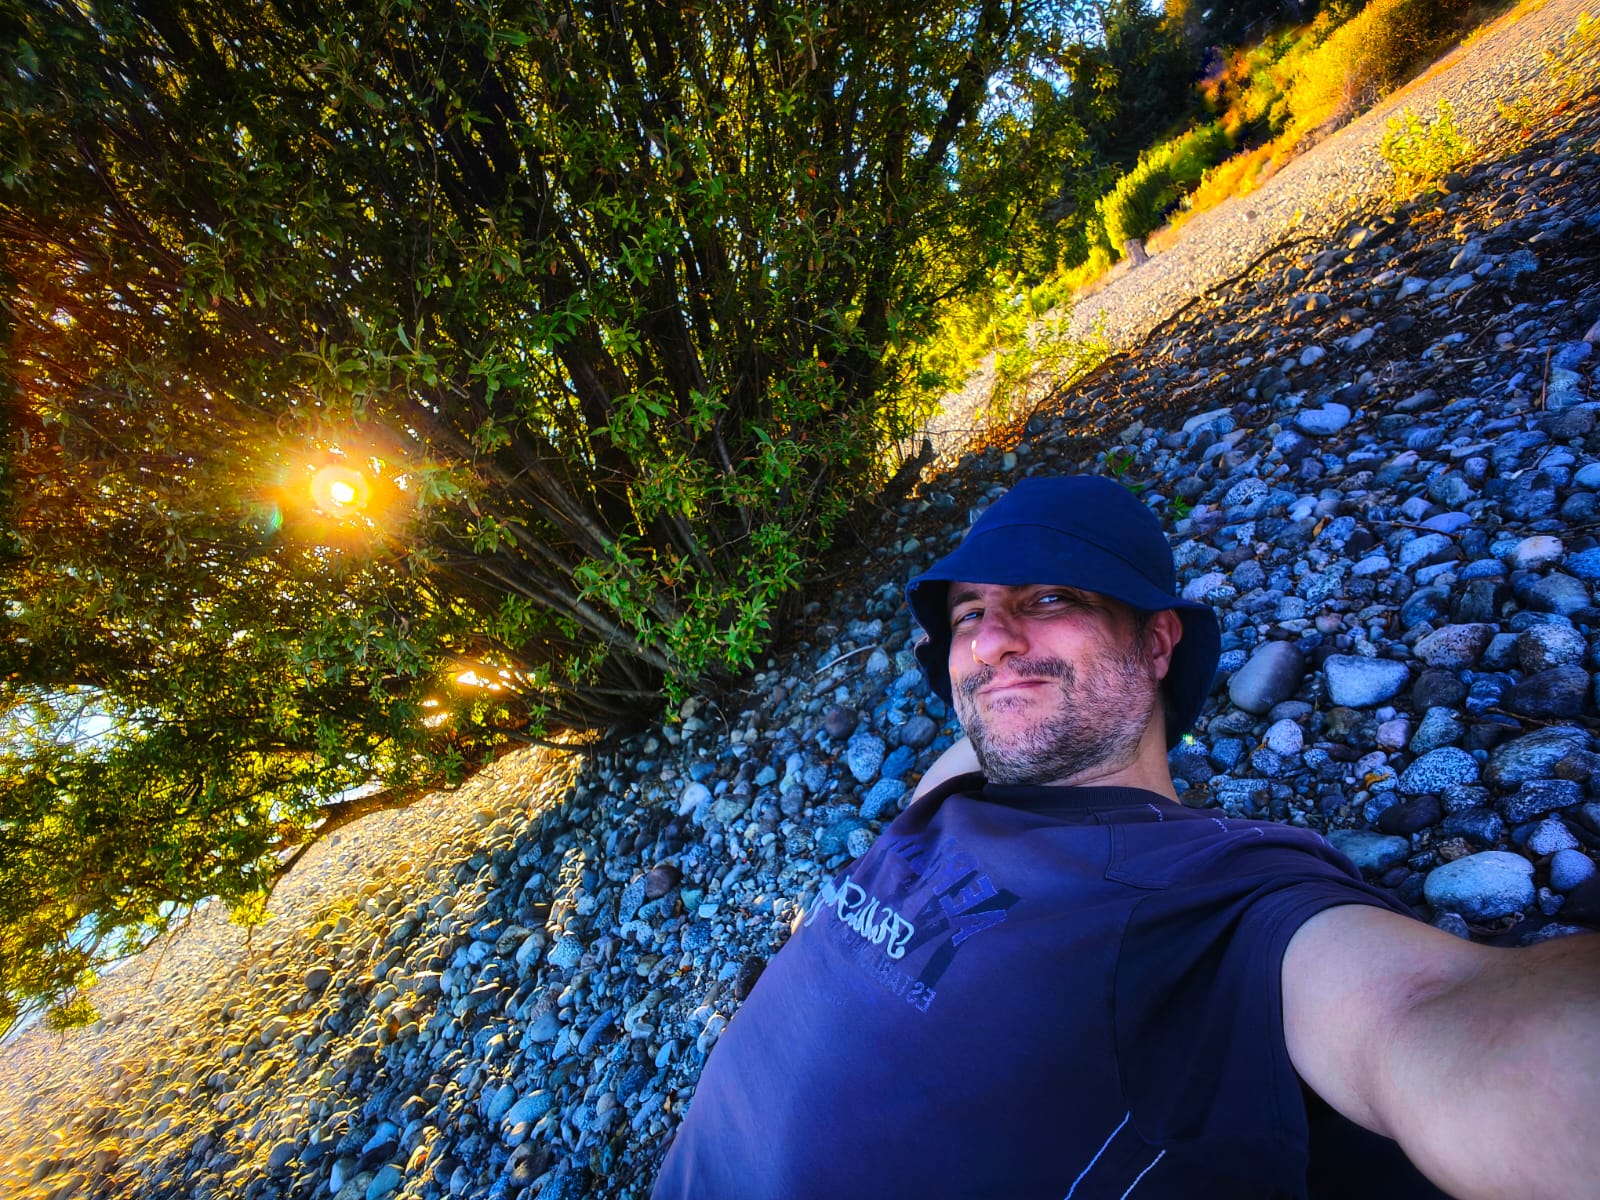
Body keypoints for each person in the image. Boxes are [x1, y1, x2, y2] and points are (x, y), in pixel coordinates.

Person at [650, 475, 1600, 1200]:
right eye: (970, 614)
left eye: (1050, 598)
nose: (991, 641)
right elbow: (1007, 698)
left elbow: (1428, 1020)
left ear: (1156, 644)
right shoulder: (958, 783)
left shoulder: (1218, 895)